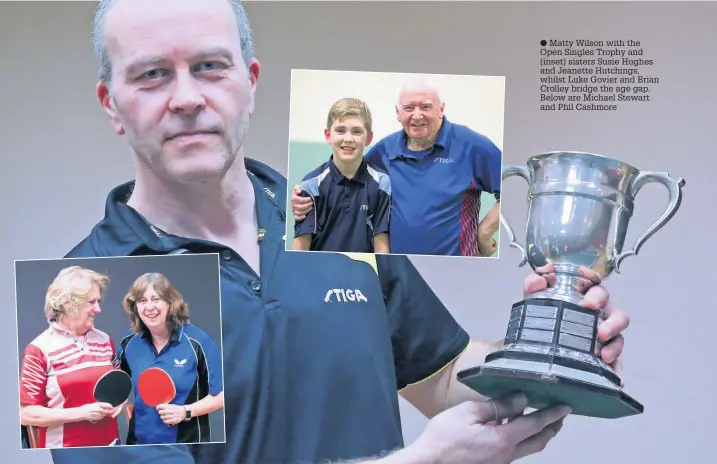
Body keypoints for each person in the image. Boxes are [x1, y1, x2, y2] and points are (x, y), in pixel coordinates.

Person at [50, 0, 630, 462]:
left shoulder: (339, 215)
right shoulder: (89, 294)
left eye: (209, 66)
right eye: (151, 74)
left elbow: (444, 376)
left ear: (250, 82)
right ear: (111, 103)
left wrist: (548, 349)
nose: (186, 98)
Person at [292, 80, 502, 257]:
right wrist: (301, 198)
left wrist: (484, 232)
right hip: (400, 276)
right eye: (409, 108)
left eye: (426, 106)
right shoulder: (383, 152)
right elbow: (347, 178)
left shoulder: (473, 146)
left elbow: (518, 189)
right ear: (398, 112)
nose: (417, 115)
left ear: (441, 109)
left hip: (457, 272)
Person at [19, 266, 124, 448]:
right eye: (91, 302)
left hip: (111, 447)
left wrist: (119, 402)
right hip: (66, 451)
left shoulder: (104, 340)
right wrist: (81, 413)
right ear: (68, 303)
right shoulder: (39, 349)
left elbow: (117, 383)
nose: (98, 309)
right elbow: (25, 414)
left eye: (98, 301)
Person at [116, 273, 223, 445]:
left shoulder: (199, 342)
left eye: (156, 299)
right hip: (138, 447)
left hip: (186, 447)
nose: (149, 307)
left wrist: (185, 412)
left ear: (170, 302)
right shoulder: (129, 342)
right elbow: (116, 380)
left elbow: (220, 396)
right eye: (142, 301)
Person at [292, 97, 392, 254]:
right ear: (327, 135)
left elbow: (381, 240)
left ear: (369, 138)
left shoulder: (382, 183)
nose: (348, 139)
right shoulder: (311, 185)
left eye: (357, 131)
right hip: (321, 274)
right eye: (340, 130)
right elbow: (301, 245)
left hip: (362, 273)